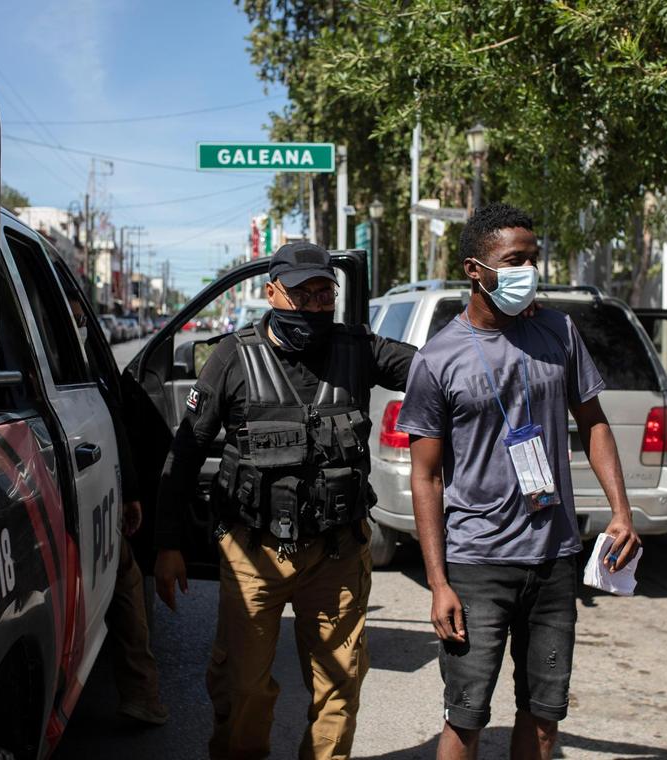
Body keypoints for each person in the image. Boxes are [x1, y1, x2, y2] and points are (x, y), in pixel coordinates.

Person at [396, 203, 641, 760]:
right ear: (474, 270)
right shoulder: (437, 359)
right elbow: (426, 476)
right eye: (514, 260)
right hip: (477, 563)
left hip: (554, 558)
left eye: (534, 258)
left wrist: (621, 511)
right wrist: (438, 582)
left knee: (544, 716)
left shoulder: (558, 331)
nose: (529, 270)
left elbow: (594, 422)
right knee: (465, 719)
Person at [153, 242, 414, 760]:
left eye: (324, 294)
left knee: (340, 688)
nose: (315, 305)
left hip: (338, 553)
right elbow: (185, 453)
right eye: (302, 294)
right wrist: (167, 544)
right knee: (244, 689)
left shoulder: (357, 349)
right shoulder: (232, 357)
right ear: (272, 292)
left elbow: (434, 369)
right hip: (254, 553)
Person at [68, 297, 168, 725]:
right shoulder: (71, 361)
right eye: (76, 311)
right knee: (126, 580)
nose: (78, 317)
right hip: (79, 497)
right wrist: (130, 492)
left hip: (64, 499)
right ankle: (141, 696)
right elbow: (114, 423)